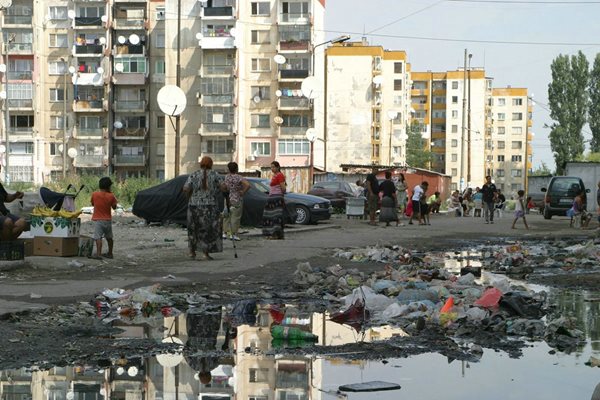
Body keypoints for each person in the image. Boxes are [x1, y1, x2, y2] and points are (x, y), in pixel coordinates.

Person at [183, 156, 224, 260]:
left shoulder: (194, 174)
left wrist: (190, 197)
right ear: (211, 164)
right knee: (207, 229)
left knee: (193, 229)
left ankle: (192, 252)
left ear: (200, 164)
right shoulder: (215, 174)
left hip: (193, 206)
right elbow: (223, 187)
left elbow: (186, 188)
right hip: (210, 206)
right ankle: (205, 254)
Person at [221, 162, 250, 241]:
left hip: (228, 198)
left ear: (228, 169)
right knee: (235, 217)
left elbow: (224, 186)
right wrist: (243, 192)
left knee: (226, 215)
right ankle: (233, 234)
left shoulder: (226, 177)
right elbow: (248, 185)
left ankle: (224, 233)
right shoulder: (239, 177)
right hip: (237, 199)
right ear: (236, 169)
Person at [90, 177, 118, 259]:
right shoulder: (111, 196)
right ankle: (110, 253)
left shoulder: (95, 194)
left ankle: (98, 254)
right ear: (109, 186)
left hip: (99, 220)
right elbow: (114, 207)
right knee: (109, 237)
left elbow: (93, 204)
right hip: (108, 220)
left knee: (98, 237)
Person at [0, 164, 26, 241]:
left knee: (22, 223)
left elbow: (6, 198)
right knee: (8, 222)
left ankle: (6, 241)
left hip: (4, 213)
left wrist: (15, 195)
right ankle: (6, 245)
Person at [262, 161, 287, 239]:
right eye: (271, 167)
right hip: (272, 197)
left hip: (277, 198)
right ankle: (273, 234)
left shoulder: (279, 175)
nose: (272, 168)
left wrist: (280, 195)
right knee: (269, 216)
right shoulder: (275, 175)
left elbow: (283, 188)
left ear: (278, 167)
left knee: (276, 217)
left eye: (273, 167)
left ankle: (276, 234)